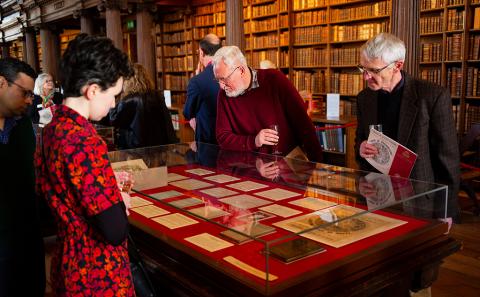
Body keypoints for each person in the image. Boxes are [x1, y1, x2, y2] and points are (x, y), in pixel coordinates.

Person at [34, 34, 135, 295]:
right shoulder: (85, 140)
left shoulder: (52, 129)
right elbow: (114, 231)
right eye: (113, 94)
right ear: (92, 90)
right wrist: (118, 201)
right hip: (97, 271)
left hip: (68, 261)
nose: (114, 103)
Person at [355, 33, 460, 222]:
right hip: (376, 196)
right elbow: (359, 142)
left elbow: (447, 159)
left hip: (419, 200)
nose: (365, 76)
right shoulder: (364, 98)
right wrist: (361, 148)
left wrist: (446, 210)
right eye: (363, 68)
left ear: (397, 66)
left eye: (373, 70)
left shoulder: (432, 96)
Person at [213, 45, 323, 162]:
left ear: (241, 70)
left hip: (286, 166)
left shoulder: (275, 80)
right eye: (217, 79)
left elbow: (303, 125)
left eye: (224, 79)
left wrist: (317, 165)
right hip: (248, 167)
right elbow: (222, 137)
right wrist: (254, 141)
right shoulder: (224, 95)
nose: (221, 85)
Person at [0, 58, 45, 296]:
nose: (30, 100)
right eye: (24, 93)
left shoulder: (24, 125)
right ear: (1, 83)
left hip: (27, 236)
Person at [110, 63, 178, 149]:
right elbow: (166, 121)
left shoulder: (129, 100)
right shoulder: (157, 96)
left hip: (135, 148)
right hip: (158, 146)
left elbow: (113, 119)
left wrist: (113, 95)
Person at [183, 33, 222, 144]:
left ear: (201, 52)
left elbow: (188, 112)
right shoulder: (230, 73)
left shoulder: (197, 81)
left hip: (208, 142)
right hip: (230, 139)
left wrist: (197, 78)